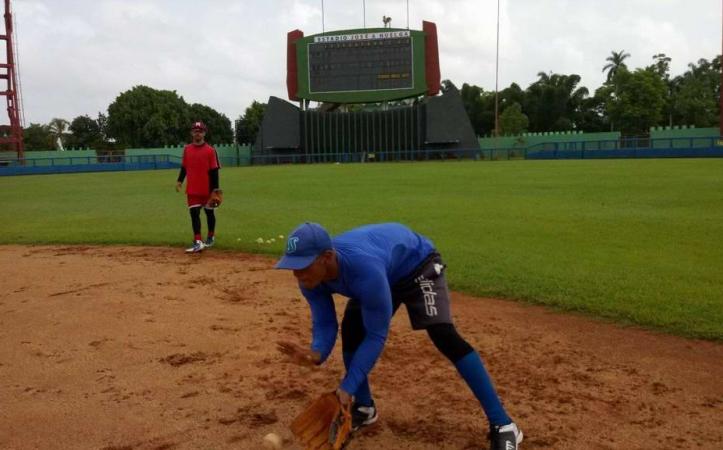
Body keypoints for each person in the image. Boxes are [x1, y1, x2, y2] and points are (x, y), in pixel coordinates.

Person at [275, 222, 523, 450]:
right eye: (293, 266)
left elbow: (376, 335)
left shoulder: (363, 270)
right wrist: (316, 352)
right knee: (352, 330)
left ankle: (503, 424)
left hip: (417, 266)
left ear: (326, 258)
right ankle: (364, 408)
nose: (298, 274)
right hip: (384, 272)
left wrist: (346, 387)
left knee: (443, 334)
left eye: (303, 265)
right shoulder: (310, 278)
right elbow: (326, 322)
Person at [175, 121, 221, 253]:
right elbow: (184, 167)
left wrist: (215, 191)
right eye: (195, 130)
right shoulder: (187, 149)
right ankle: (198, 241)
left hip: (207, 189)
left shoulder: (211, 151)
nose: (197, 132)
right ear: (191, 133)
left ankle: (210, 237)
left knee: (209, 213)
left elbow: (214, 171)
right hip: (193, 189)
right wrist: (179, 181)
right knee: (194, 213)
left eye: (200, 131)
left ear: (204, 133)